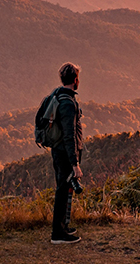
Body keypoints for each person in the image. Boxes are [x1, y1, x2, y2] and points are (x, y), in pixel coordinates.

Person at [50, 62, 84, 245]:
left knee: (65, 189)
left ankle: (63, 226)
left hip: (59, 151)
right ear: (76, 80)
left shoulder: (58, 96)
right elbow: (69, 136)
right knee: (62, 191)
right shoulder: (68, 103)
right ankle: (58, 233)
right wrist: (75, 163)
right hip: (65, 153)